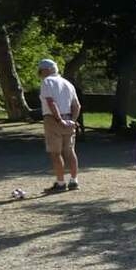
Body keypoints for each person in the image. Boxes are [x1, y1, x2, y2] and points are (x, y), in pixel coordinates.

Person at [38, 59, 82, 193]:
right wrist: (73, 121)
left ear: (47, 70)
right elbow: (77, 105)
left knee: (56, 153)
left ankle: (61, 182)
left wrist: (59, 119)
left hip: (53, 119)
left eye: (41, 71)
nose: (40, 74)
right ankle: (74, 180)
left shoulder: (47, 82)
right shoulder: (68, 83)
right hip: (69, 117)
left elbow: (51, 103)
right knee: (70, 151)